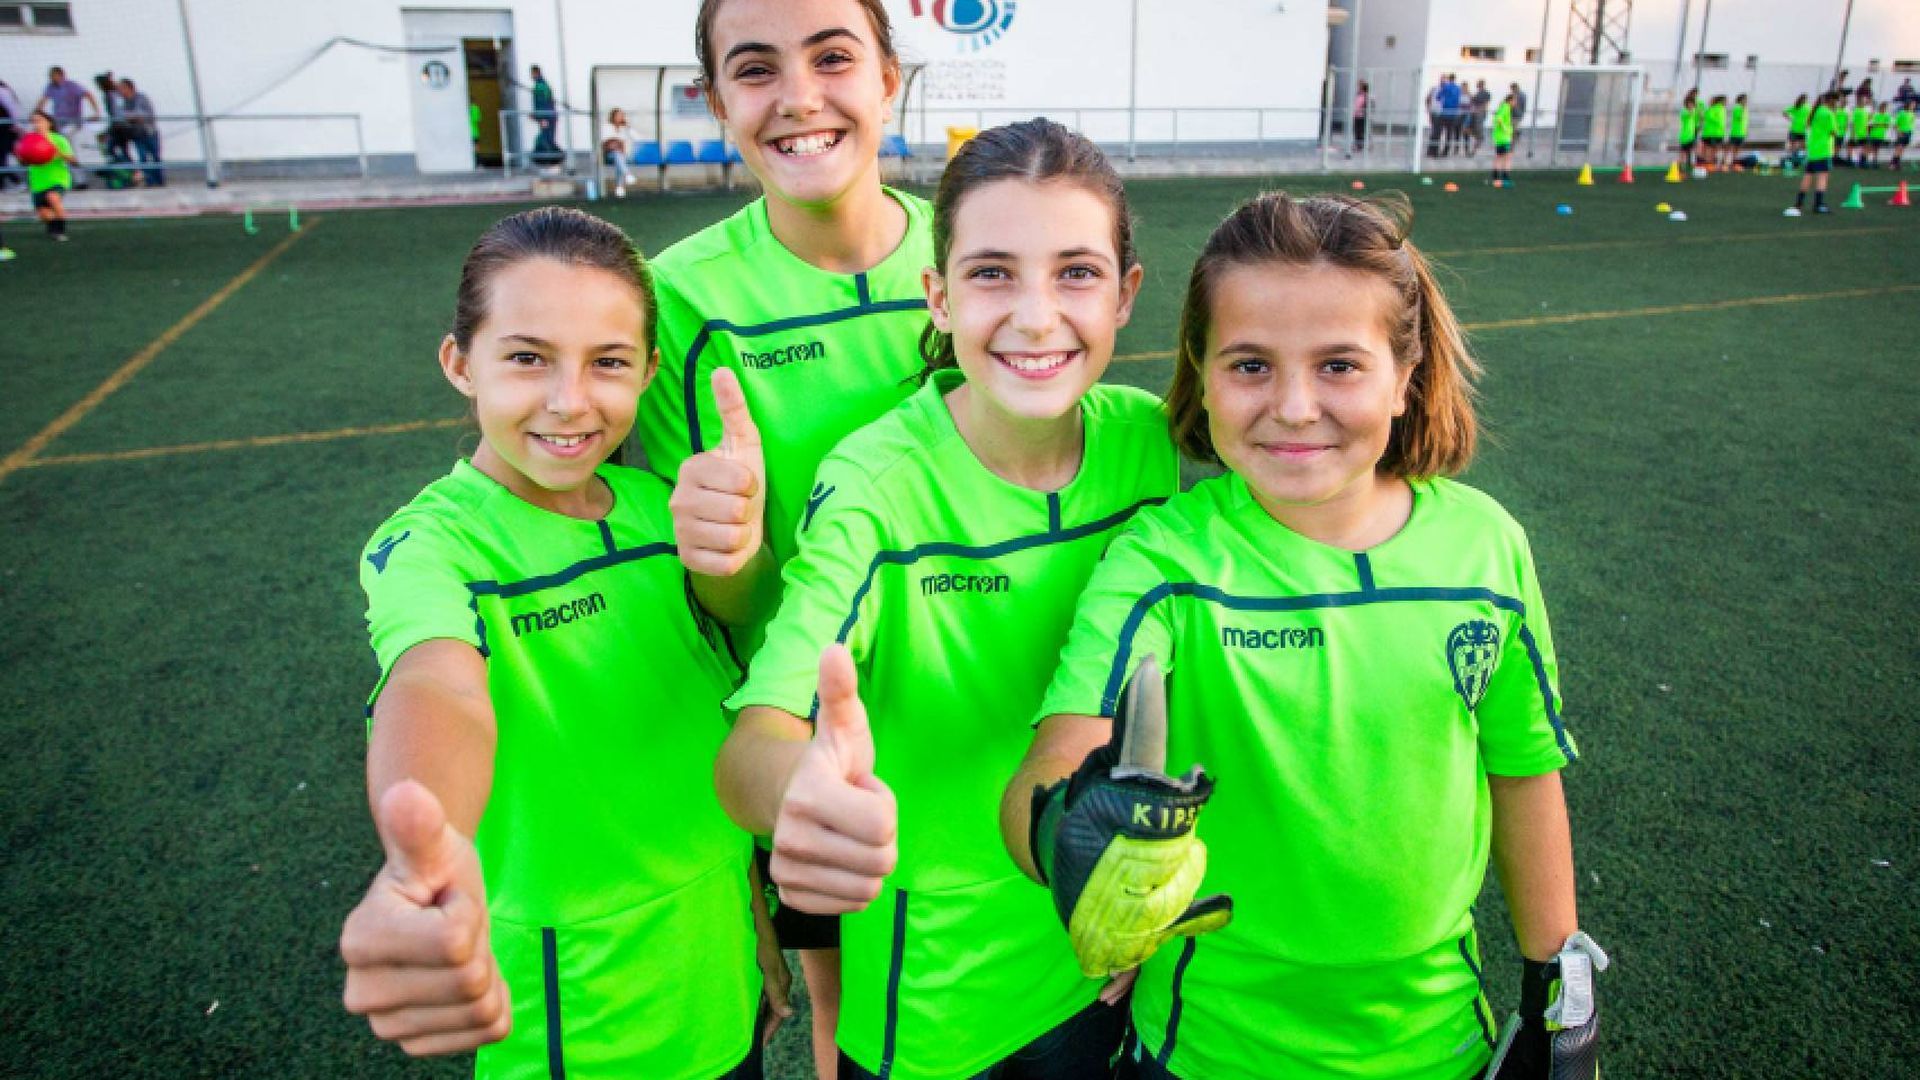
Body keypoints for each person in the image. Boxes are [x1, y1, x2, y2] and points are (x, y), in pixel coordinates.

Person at [1006, 189, 1605, 1080]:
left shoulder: (1485, 547)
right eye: (1249, 365)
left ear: (1405, 377)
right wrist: (1069, 830)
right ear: (1199, 372)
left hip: (1439, 1044)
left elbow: (1523, 772)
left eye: (1338, 366)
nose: (1292, 407)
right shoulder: (1165, 560)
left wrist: (1561, 999)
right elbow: (1054, 763)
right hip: (1210, 1050)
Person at [719, 117, 1172, 1080]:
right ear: (939, 294)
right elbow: (755, 742)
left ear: (1127, 294)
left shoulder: (1156, 447)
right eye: (994, 272)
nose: (1037, 316)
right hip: (938, 1010)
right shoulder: (879, 483)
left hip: (1116, 968)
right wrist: (795, 795)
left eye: (1077, 273)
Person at [337, 206, 783, 1078]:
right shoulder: (433, 545)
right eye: (528, 358)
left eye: (608, 363)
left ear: (650, 370)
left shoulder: (663, 513)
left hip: (715, 963)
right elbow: (437, 686)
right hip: (572, 1006)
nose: (570, 401)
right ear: (460, 364)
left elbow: (728, 668)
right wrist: (428, 852)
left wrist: (749, 912)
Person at [630, 2, 938, 1074]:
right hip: (807, 745)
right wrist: (727, 560)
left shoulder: (978, 253)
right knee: (841, 1018)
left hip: (982, 722)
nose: (800, 97)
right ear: (719, 104)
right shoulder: (676, 302)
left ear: (890, 76)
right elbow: (718, 618)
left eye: (834, 56)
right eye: (756, 70)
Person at [1786, 90, 1843, 216]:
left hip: (1813, 149)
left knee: (1808, 176)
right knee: (1823, 176)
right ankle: (1819, 204)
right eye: (1837, 101)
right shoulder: (1828, 113)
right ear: (1832, 100)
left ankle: (1799, 203)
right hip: (1823, 149)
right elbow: (1834, 132)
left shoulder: (1815, 110)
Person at [26, 111, 74, 242]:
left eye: (39, 121)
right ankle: (53, 227)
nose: (37, 124)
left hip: (57, 178)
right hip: (38, 181)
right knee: (44, 214)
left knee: (52, 197)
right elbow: (24, 159)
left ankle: (60, 230)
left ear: (49, 123)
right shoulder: (30, 139)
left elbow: (73, 160)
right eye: (34, 121)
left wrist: (59, 154)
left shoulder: (59, 139)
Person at [118, 78, 161, 187]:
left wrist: (130, 116)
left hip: (149, 132)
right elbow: (122, 115)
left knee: (155, 156)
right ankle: (150, 182)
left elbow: (140, 114)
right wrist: (131, 117)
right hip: (137, 134)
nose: (120, 91)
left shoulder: (141, 98)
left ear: (130, 88)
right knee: (142, 157)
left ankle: (159, 181)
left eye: (122, 88)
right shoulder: (124, 102)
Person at [601, 106, 640, 196]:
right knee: (617, 155)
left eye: (622, 115)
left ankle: (620, 188)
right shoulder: (607, 127)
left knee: (620, 158)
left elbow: (637, 138)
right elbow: (604, 140)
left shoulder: (624, 128)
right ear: (613, 116)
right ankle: (627, 175)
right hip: (608, 154)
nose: (621, 117)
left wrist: (628, 127)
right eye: (618, 115)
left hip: (623, 154)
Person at [529, 64, 560, 165]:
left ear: (535, 73)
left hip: (547, 116)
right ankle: (551, 160)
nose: (531, 76)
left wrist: (541, 117)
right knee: (547, 138)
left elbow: (543, 102)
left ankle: (550, 161)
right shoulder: (543, 85)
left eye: (532, 73)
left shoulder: (540, 86)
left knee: (546, 139)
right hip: (549, 116)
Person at [1490, 89, 1515, 187]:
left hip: (1499, 137)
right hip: (1504, 137)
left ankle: (1496, 178)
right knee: (1507, 157)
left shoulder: (1502, 107)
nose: (1515, 103)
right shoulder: (1506, 107)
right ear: (1510, 100)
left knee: (1499, 157)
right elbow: (1499, 118)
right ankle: (1506, 178)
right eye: (1514, 101)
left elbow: (1496, 118)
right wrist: (1506, 129)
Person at [1701, 94, 1728, 172]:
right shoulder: (1715, 108)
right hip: (1712, 133)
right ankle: (1710, 164)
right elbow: (1709, 117)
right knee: (1711, 149)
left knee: (1713, 149)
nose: (1726, 102)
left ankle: (1712, 165)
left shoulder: (1719, 109)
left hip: (1716, 133)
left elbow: (1708, 117)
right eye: (1725, 101)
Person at [1676, 89, 1699, 172]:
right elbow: (1689, 114)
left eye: (1692, 104)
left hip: (1691, 135)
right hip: (1685, 136)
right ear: (1686, 104)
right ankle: (1679, 166)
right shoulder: (1684, 111)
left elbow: (1696, 120)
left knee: (1693, 150)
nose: (1691, 106)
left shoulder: (1693, 112)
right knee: (1683, 152)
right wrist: (1694, 110)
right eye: (1689, 104)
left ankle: (1691, 164)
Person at [1783, 93, 1811, 160]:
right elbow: (1784, 112)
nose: (1805, 101)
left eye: (1806, 99)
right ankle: (1791, 157)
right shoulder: (1796, 106)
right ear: (1800, 99)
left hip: (1803, 130)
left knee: (1804, 145)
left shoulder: (1808, 107)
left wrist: (1809, 123)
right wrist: (1790, 118)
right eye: (1804, 99)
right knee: (1792, 145)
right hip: (1794, 129)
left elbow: (1811, 116)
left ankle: (1803, 157)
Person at [1468, 79, 1491, 157]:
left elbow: (1486, 104)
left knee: (1478, 129)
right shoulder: (1477, 93)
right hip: (1474, 113)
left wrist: (1479, 110)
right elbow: (1472, 102)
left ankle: (1474, 149)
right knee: (1468, 129)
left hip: (1480, 113)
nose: (1477, 85)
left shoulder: (1486, 93)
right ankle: (1479, 138)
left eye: (1478, 84)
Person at [1868, 100, 1892, 168]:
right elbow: (1871, 124)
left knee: (1877, 148)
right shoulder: (1875, 115)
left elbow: (1887, 125)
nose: (1884, 109)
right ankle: (1866, 159)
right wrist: (1880, 124)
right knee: (1871, 148)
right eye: (1883, 107)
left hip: (1881, 135)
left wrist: (1878, 124)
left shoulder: (1887, 115)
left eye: (1885, 108)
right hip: (1873, 134)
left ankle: (1874, 161)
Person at [1892, 100, 1914, 171]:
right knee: (1898, 148)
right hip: (1902, 132)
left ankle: (1897, 163)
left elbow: (1911, 123)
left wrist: (1910, 131)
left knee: (1902, 149)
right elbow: (1895, 124)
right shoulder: (1901, 113)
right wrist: (1899, 132)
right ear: (1908, 105)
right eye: (1912, 104)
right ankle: (1893, 164)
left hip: (1908, 132)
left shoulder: (1912, 114)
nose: (1914, 106)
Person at [1729, 93, 1749, 169]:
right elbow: (1739, 118)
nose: (1746, 101)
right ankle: (1729, 162)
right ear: (1740, 100)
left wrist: (1746, 130)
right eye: (1744, 99)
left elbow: (1745, 121)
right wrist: (1743, 109)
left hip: (1742, 132)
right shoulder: (1737, 108)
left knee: (1738, 148)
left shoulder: (1745, 109)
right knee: (1732, 147)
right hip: (1736, 132)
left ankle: (1734, 161)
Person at [1349, 79, 1368, 155]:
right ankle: (1358, 144)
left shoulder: (1365, 95)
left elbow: (1362, 105)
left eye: (1360, 85)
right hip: (1356, 114)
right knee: (1356, 130)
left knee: (1360, 130)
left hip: (1361, 115)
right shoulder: (1359, 95)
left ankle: (1360, 145)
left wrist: (1360, 110)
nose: (1358, 87)